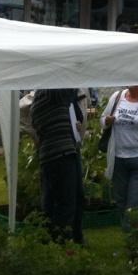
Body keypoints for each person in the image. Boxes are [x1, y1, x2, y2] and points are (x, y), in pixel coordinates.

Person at [30, 88, 85, 244]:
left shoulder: (40, 99)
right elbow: (70, 90)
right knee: (66, 204)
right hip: (61, 154)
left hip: (54, 154)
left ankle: (56, 241)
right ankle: (62, 244)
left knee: (55, 201)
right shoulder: (50, 93)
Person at [102, 85, 138, 227]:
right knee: (121, 203)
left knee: (136, 208)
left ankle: (136, 242)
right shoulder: (117, 97)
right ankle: (132, 241)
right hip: (118, 160)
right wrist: (106, 121)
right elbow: (103, 119)